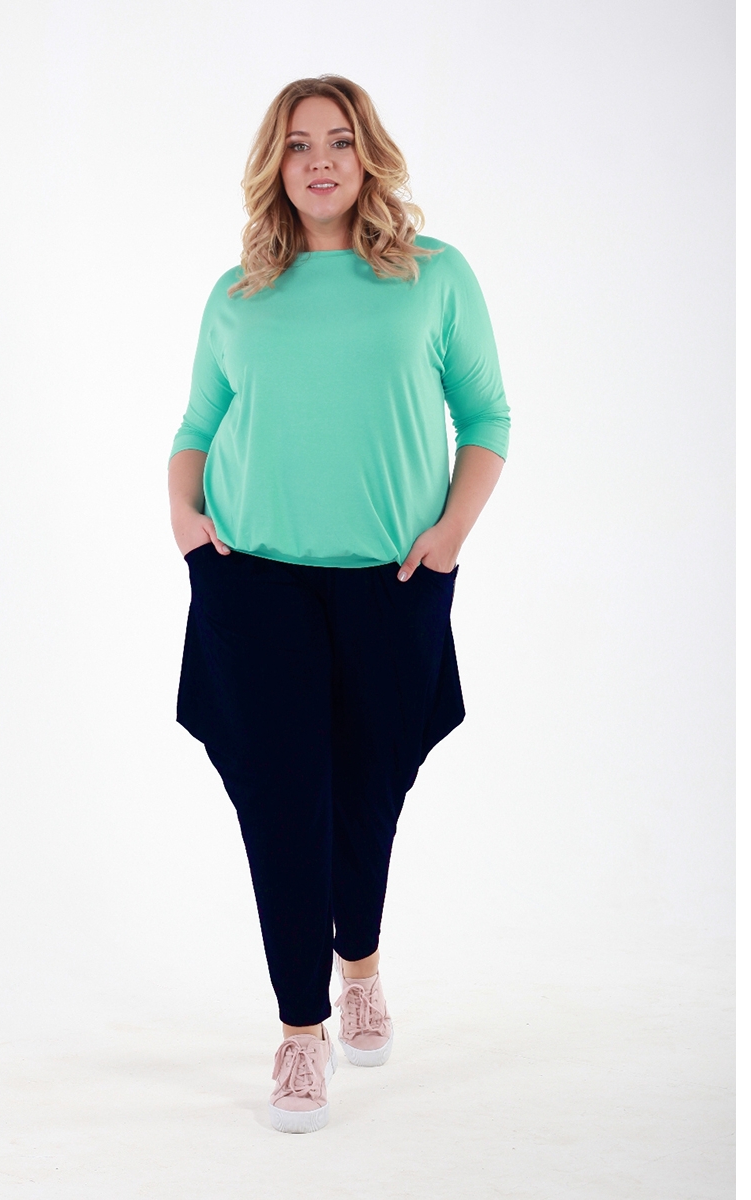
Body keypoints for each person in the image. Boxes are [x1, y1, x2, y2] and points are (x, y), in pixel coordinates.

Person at [167, 75, 510, 1134]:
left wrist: (450, 535)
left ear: (369, 156)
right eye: (299, 143)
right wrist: (186, 521)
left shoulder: (434, 277)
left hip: (393, 582)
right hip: (254, 581)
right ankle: (300, 1033)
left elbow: (487, 417)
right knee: (283, 804)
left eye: (340, 140)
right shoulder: (239, 294)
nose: (320, 160)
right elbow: (194, 429)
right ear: (274, 164)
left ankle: (358, 963)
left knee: (367, 792)